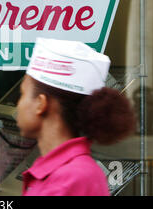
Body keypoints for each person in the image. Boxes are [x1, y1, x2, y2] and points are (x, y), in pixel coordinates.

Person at [16, 37, 136, 196]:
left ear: (41, 103)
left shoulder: (73, 179)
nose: (18, 105)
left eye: (23, 94)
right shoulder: (64, 173)